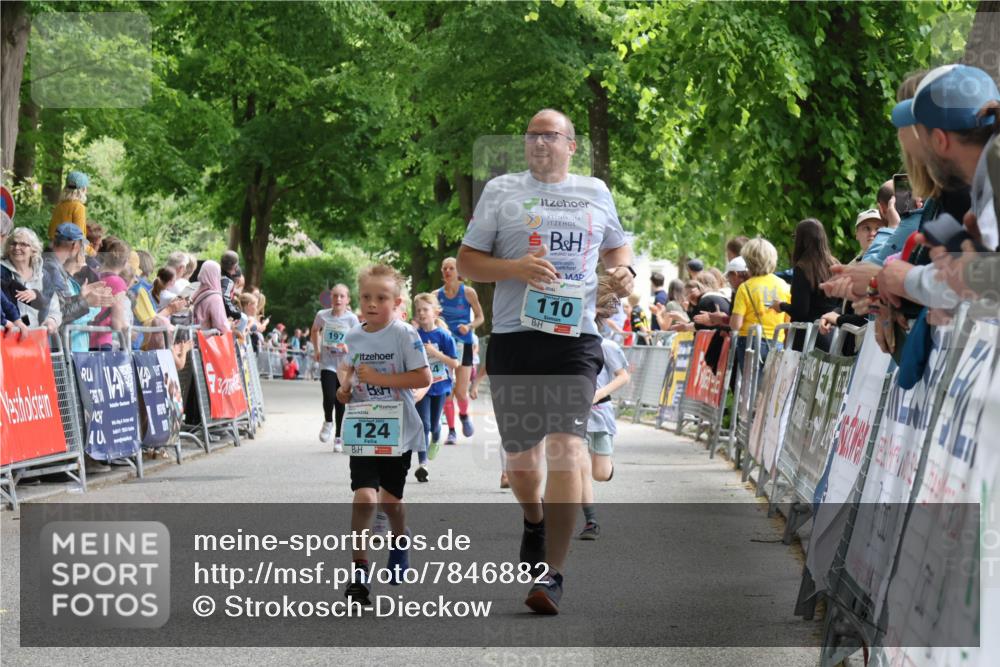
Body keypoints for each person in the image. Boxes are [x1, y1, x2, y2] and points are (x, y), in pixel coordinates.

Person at [457, 108, 633, 614]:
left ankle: (553, 575)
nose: (538, 143)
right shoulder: (501, 191)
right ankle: (532, 518)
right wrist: (514, 268)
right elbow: (468, 261)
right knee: (522, 461)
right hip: (515, 336)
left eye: (549, 135)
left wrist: (624, 276)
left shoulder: (596, 192)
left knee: (565, 448)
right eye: (531, 135)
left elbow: (618, 254)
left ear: (571, 145)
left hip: (575, 339)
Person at [337, 264, 431, 606]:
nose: (372, 303)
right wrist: (344, 389)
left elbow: (423, 379)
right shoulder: (352, 336)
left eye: (381, 298)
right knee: (365, 496)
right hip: (364, 426)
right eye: (365, 297)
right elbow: (345, 373)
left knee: (390, 502)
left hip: (398, 432)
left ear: (397, 302)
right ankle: (359, 572)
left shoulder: (405, 334)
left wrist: (379, 378)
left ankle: (400, 539)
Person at [578, 275, 630, 540]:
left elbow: (623, 376)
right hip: (573, 416)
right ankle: (591, 520)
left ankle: (607, 468)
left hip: (600, 415)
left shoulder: (606, 345)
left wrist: (599, 393)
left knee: (599, 473)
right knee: (580, 468)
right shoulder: (569, 345)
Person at [436, 257, 485, 445]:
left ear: (458, 272)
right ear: (442, 272)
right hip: (445, 347)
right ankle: (451, 431)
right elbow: (429, 316)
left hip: (463, 345)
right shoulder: (436, 295)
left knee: (461, 392)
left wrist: (470, 325)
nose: (448, 271)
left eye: (452, 268)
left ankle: (464, 415)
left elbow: (481, 317)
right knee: (447, 390)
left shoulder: (468, 292)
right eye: (445, 268)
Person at [42, 223, 114, 350]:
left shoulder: (50, 265)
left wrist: (81, 297)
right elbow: (59, 315)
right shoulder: (52, 269)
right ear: (75, 245)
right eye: (82, 246)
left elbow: (60, 308)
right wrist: (86, 302)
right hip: (52, 348)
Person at [770, 219, 839, 352]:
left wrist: (781, 306)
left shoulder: (803, 268)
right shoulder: (834, 264)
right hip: (832, 336)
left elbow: (800, 310)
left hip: (807, 338)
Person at [412, 292, 459, 482]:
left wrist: (433, 352)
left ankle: (436, 437)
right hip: (421, 386)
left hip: (440, 385)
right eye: (418, 310)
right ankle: (423, 464)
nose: (422, 313)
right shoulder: (414, 335)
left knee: (434, 425)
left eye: (425, 309)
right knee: (424, 423)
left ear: (435, 312)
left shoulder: (444, 336)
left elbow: (455, 363)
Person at [728, 238, 790, 369]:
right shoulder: (784, 286)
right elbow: (787, 322)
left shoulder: (745, 287)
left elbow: (735, 324)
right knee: (768, 387)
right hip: (776, 342)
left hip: (749, 342)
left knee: (749, 387)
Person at [312, 283, 360, 451]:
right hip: (328, 363)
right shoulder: (322, 315)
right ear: (330, 298)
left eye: (342, 296)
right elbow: (314, 330)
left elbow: (358, 339)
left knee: (341, 400)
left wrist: (349, 348)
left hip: (344, 366)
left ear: (347, 299)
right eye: (335, 295)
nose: (338, 299)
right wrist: (317, 349)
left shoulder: (352, 319)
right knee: (329, 396)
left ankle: (338, 437)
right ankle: (328, 421)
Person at [2, 227, 60, 333]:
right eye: (13, 243)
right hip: (7, 336)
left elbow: (54, 307)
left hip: (36, 337)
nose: (16, 247)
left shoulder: (44, 275)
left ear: (33, 249)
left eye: (23, 244)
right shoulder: (2, 272)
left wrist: (52, 320)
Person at [89, 236, 133, 350]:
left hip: (84, 339)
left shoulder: (92, 275)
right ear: (125, 262)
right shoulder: (117, 282)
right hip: (102, 340)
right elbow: (117, 322)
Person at [191, 260, 231, 333]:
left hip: (194, 337)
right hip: (207, 340)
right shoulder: (215, 298)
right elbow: (221, 326)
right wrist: (230, 325)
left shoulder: (195, 290)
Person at [48, 171, 89, 241]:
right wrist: (93, 251)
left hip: (55, 248)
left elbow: (50, 233)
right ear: (83, 189)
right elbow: (79, 238)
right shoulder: (78, 207)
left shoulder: (58, 206)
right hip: (70, 249)